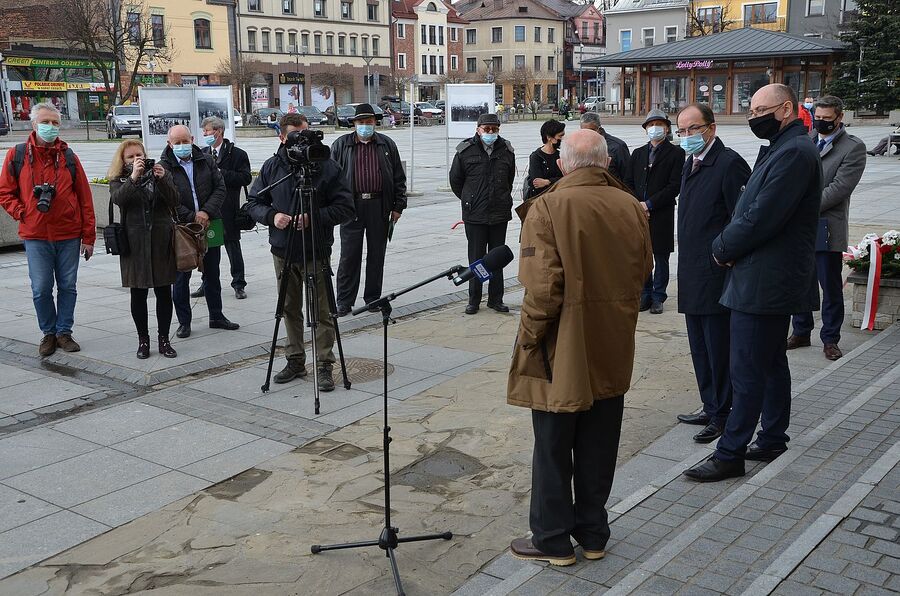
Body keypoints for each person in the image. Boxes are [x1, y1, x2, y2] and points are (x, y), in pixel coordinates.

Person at [508, 129, 652, 566]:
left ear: (565, 165)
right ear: (606, 163)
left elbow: (542, 288)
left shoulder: (549, 206)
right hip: (612, 340)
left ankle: (552, 539)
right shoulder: (631, 205)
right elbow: (645, 270)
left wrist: (529, 339)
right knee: (599, 442)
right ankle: (593, 534)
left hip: (561, 344)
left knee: (553, 445)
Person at [684, 83, 822, 482]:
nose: (752, 116)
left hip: (765, 279)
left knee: (746, 367)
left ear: (787, 108)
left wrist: (721, 246)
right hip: (768, 277)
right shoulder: (785, 148)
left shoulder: (794, 152)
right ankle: (773, 435)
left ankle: (730, 453)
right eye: (750, 110)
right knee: (770, 361)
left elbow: (761, 216)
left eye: (761, 109)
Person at [247, 113, 355, 391]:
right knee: (288, 307)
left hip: (315, 248)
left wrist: (314, 217)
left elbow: (345, 207)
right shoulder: (272, 166)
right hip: (283, 249)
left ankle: (324, 364)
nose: (302, 140)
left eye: (306, 133)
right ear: (282, 137)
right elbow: (252, 203)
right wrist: (272, 217)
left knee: (321, 309)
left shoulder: (326, 166)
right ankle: (295, 359)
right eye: (296, 135)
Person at [673, 104, 751, 444]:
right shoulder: (690, 162)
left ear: (711, 128)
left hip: (715, 272)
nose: (688, 136)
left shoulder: (729, 163)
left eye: (693, 129)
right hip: (691, 270)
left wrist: (725, 255)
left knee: (718, 347)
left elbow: (743, 218)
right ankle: (710, 404)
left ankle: (723, 413)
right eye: (683, 131)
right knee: (699, 347)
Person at [0, 102, 95, 357]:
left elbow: (85, 199)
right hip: (36, 235)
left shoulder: (68, 157)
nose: (50, 127)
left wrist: (89, 236)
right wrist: (23, 212)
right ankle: (48, 333)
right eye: (45, 122)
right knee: (41, 288)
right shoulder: (17, 155)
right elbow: (5, 192)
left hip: (68, 234)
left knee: (68, 285)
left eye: (55, 123)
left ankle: (64, 332)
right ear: (34, 124)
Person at [788, 95, 867, 361]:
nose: (820, 123)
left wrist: (800, 205)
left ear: (839, 117)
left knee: (829, 286)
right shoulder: (807, 140)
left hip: (827, 226)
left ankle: (830, 339)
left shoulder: (852, 148)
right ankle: (800, 330)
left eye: (826, 119)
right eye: (817, 118)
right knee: (800, 281)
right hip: (800, 228)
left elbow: (839, 189)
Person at [160, 124, 240, 339]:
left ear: (192, 139)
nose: (182, 146)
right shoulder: (163, 167)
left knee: (212, 273)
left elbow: (220, 188)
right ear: (169, 144)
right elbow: (168, 199)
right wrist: (191, 217)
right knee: (181, 277)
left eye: (185, 141)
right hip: (182, 228)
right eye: (177, 143)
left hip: (209, 223)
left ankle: (217, 316)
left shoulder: (206, 160)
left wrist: (205, 212)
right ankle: (184, 322)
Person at [331, 103, 407, 315]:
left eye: (369, 122)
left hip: (379, 206)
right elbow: (330, 178)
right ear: (354, 124)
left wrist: (398, 206)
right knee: (349, 256)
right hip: (351, 207)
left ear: (375, 123)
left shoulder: (386, 144)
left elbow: (398, 178)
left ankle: (372, 298)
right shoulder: (341, 145)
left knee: (376, 254)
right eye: (361, 123)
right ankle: (344, 301)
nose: (365, 126)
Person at [108, 140, 179, 359]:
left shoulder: (159, 176)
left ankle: (164, 339)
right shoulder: (118, 180)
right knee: (138, 294)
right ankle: (143, 340)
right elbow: (119, 199)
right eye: (131, 157)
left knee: (164, 292)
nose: (137, 159)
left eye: (139, 155)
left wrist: (163, 179)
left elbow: (175, 200)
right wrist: (133, 178)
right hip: (135, 243)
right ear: (123, 161)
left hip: (160, 241)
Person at [449, 113, 516, 315]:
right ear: (478, 129)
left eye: (494, 129)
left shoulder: (506, 149)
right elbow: (456, 181)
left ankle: (496, 299)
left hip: (499, 212)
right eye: (486, 129)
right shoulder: (465, 150)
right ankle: (474, 299)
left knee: (496, 258)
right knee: (477, 259)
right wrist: (470, 199)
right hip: (475, 214)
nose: (490, 132)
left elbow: (509, 179)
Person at [625, 109, 684, 315]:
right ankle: (645, 293)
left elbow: (674, 185)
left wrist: (649, 204)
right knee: (642, 255)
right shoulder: (638, 153)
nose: (654, 129)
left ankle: (659, 296)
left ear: (667, 128)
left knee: (661, 256)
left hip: (661, 212)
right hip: (638, 212)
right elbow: (629, 182)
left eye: (659, 124)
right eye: (650, 125)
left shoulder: (676, 153)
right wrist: (637, 204)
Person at [192, 117, 252, 300]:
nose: (205, 134)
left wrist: (221, 173)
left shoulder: (237, 154)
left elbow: (245, 178)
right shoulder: (202, 153)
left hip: (229, 208)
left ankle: (239, 284)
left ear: (218, 131)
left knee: (233, 247)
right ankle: (206, 282)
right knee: (207, 249)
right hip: (209, 210)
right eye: (204, 131)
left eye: (207, 131)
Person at [580, 112, 630, 184]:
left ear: (599, 129)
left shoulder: (617, 146)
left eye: (591, 130)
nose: (587, 134)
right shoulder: (579, 145)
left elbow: (627, 175)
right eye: (584, 131)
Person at [525, 119, 565, 200]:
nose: (563, 139)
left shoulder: (562, 155)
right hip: (540, 202)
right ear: (549, 137)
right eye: (560, 136)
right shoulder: (536, 157)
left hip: (558, 200)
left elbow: (567, 179)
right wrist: (556, 181)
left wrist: (547, 181)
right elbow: (537, 183)